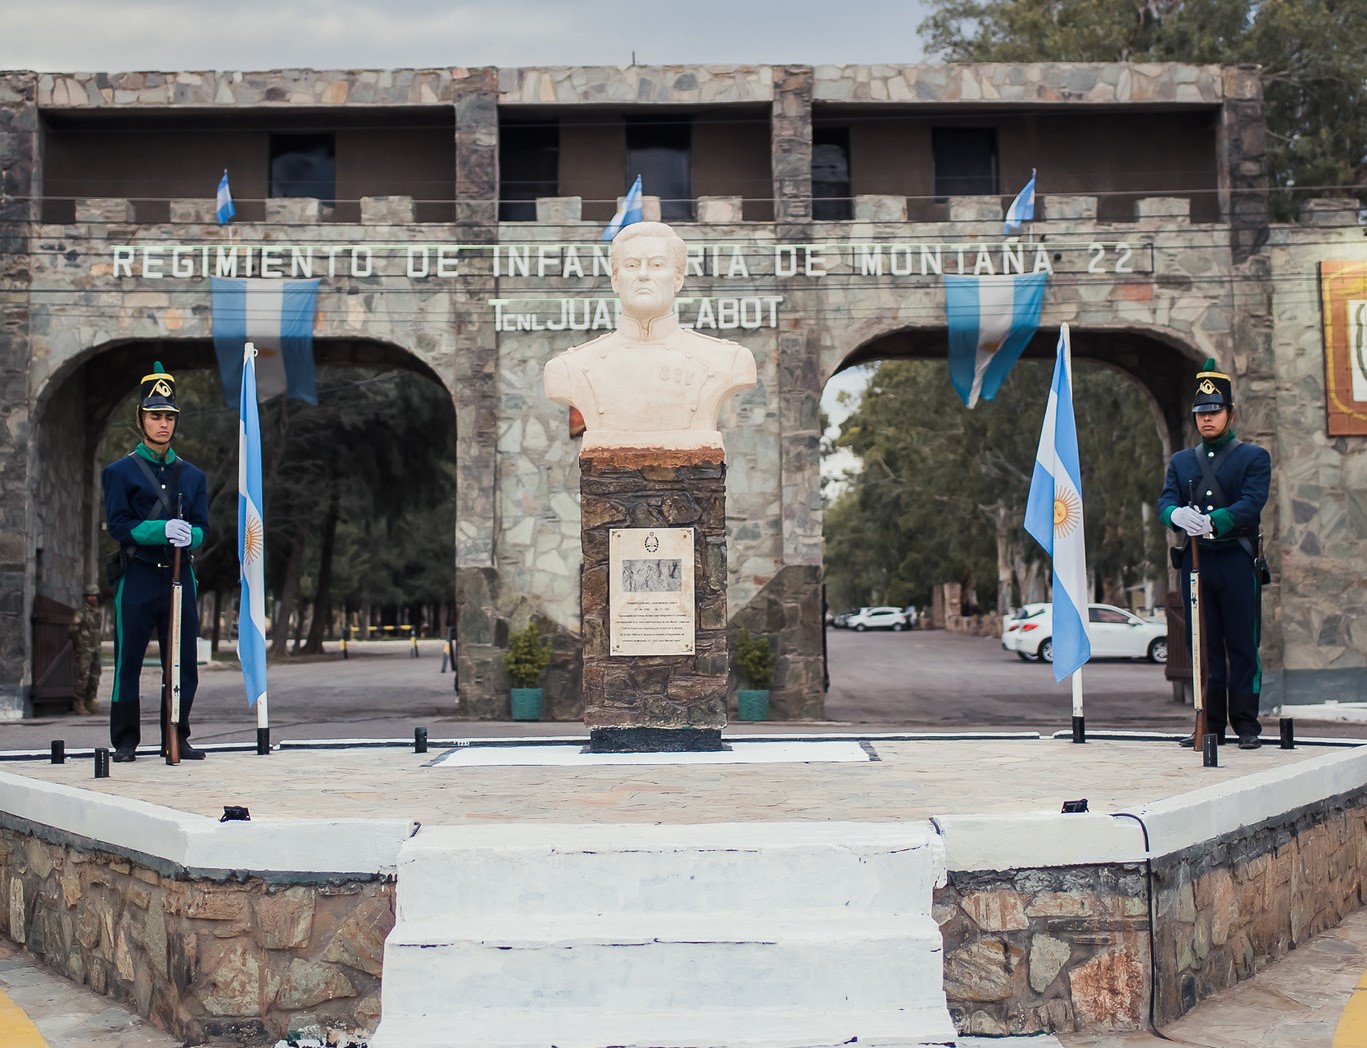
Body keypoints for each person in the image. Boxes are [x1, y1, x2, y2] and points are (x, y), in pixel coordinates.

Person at [543, 221, 757, 453]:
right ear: (615, 279)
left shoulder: (728, 360)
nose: (643, 275)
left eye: (656, 265)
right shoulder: (569, 368)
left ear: (677, 278)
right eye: (632, 265)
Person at [1158, 359, 1271, 750]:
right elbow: (1165, 502)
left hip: (1236, 560)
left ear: (1230, 414)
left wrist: (1214, 521)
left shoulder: (1253, 457)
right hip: (1196, 563)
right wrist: (1176, 514)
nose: (1207, 419)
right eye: (1201, 413)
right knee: (1202, 646)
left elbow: (1251, 504)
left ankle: (1246, 724)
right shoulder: (1182, 461)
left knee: (1241, 644)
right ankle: (1210, 724)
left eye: (1214, 412)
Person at [101, 362, 210, 762]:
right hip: (139, 577)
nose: (162, 424)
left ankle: (176, 736)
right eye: (154, 416)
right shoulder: (120, 472)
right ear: (140, 420)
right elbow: (119, 525)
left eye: (168, 417)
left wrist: (189, 535)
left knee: (182, 664)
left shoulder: (193, 476)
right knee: (128, 661)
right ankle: (126, 740)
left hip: (180, 580)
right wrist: (160, 530)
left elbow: (202, 527)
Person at [68, 585, 102, 716]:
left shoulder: (97, 612)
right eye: (90, 595)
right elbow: (72, 629)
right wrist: (80, 642)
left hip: (95, 649)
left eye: (94, 595)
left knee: (95, 676)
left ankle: (91, 701)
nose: (92, 598)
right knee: (83, 676)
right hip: (84, 650)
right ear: (86, 597)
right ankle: (79, 703)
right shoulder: (81, 612)